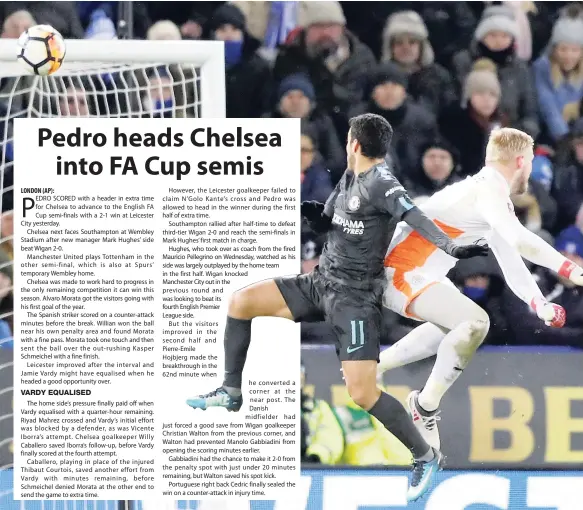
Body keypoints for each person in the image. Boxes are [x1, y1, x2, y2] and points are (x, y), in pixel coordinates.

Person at [186, 113, 488, 501]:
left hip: (356, 300)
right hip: (319, 283)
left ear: (355, 144)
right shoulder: (350, 176)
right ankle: (230, 390)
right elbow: (330, 220)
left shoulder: (382, 183)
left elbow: (416, 215)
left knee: (362, 394)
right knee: (241, 302)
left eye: (348, 139)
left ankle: (424, 456)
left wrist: (452, 248)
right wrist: (317, 217)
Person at [377, 127, 583, 450]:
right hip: (401, 271)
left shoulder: (487, 196)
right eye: (529, 162)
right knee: (475, 322)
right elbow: (520, 239)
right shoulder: (489, 189)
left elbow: (510, 258)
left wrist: (538, 302)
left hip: (418, 274)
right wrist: (571, 269)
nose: (530, 169)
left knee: (455, 327)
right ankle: (424, 407)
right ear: (520, 161)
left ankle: (379, 367)